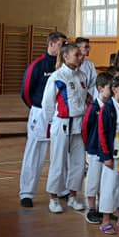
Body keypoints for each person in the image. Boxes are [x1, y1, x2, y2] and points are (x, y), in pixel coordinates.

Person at [18, 31, 66, 208]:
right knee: (34, 152)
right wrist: (38, 108)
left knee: (61, 151)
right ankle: (27, 193)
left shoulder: (66, 67)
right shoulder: (38, 65)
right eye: (61, 44)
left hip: (60, 115)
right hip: (40, 113)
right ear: (51, 44)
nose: (64, 48)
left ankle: (61, 189)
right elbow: (26, 91)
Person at [42, 42, 88, 213]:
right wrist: (51, 123)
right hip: (62, 123)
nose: (80, 57)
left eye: (80, 54)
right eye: (77, 54)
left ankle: (72, 196)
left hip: (79, 124)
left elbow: (84, 99)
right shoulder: (57, 77)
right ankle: (53, 198)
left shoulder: (82, 76)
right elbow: (47, 103)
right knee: (58, 162)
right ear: (66, 56)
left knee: (78, 163)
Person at [98, 76, 119, 233]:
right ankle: (105, 221)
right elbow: (102, 133)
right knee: (109, 186)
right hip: (113, 151)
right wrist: (106, 156)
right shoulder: (108, 108)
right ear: (114, 89)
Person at [82, 73, 112, 223]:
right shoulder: (93, 108)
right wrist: (90, 146)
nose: (113, 90)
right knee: (93, 180)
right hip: (94, 149)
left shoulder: (110, 107)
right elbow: (85, 128)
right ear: (100, 89)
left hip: (106, 150)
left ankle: (102, 208)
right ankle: (91, 208)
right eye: (110, 87)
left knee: (104, 180)